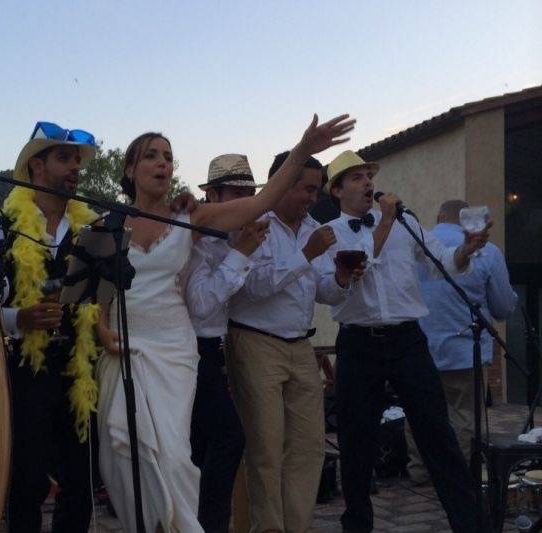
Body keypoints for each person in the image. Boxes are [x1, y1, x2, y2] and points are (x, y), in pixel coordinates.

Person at [95, 113, 356, 532]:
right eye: (151, 156)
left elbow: (263, 201)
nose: (162, 163)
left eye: (168, 157)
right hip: (125, 347)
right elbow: (97, 294)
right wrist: (101, 331)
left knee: (175, 457)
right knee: (127, 457)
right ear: (130, 169)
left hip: (175, 349)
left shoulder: (191, 218)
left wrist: (303, 149)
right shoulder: (106, 224)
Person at [320, 150, 491, 533]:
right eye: (356, 177)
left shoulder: (406, 222)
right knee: (356, 443)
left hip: (408, 340)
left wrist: (466, 249)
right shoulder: (331, 233)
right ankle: (358, 526)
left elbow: (440, 261)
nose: (367, 182)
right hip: (359, 343)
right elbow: (355, 271)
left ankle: (470, 524)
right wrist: (383, 223)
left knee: (438, 434)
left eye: (369, 175)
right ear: (337, 189)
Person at [225, 151, 361, 533]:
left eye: (316, 190)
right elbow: (252, 287)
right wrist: (307, 254)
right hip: (255, 342)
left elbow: (322, 293)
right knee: (265, 450)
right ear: (281, 184)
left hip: (302, 347)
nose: (311, 198)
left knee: (307, 448)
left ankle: (297, 527)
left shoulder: (311, 228)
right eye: (305, 189)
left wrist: (341, 278)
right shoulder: (253, 225)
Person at [0, 121, 101, 533]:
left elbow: (103, 298)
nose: (75, 167)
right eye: (64, 158)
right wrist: (18, 318)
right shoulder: (3, 226)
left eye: (77, 159)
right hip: (25, 368)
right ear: (37, 167)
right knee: (27, 479)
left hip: (79, 367)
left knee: (82, 479)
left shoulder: (92, 231)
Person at [405, 199, 517, 485]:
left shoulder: (415, 248)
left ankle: (420, 470)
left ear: (439, 217)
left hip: (416, 347)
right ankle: (458, 472)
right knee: (464, 414)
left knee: (419, 411)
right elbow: (503, 307)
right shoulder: (488, 252)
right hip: (464, 348)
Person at [184, 154, 266, 532]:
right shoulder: (197, 239)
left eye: (249, 194)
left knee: (203, 447)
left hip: (219, 349)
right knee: (228, 438)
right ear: (213, 196)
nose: (244, 202)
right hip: (192, 351)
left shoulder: (234, 236)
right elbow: (199, 305)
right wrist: (242, 254)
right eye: (236, 193)